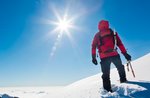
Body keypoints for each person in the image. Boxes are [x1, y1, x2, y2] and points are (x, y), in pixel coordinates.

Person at [91, 20, 131, 92]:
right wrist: (125, 53)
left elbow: (93, 46)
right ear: (107, 25)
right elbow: (119, 44)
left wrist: (93, 57)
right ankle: (123, 81)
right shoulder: (113, 32)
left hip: (104, 57)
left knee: (106, 74)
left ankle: (107, 90)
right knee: (120, 68)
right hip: (114, 54)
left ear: (99, 26)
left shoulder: (97, 35)